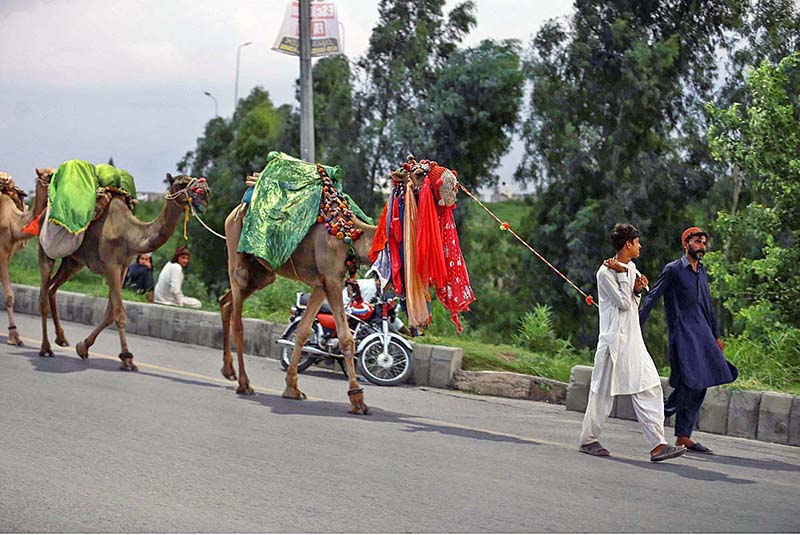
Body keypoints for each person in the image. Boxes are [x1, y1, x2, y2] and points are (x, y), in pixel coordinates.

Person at [580, 224, 686, 462]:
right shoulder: (605, 273)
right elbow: (623, 304)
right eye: (637, 242)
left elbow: (635, 298)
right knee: (602, 393)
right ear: (628, 244)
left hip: (633, 340)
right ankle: (588, 439)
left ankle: (658, 444)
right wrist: (623, 275)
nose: (640, 246)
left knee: (649, 386)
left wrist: (636, 286)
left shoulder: (631, 268)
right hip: (613, 342)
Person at [639, 227, 738, 454]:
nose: (701, 245)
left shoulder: (701, 271)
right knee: (689, 383)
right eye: (697, 241)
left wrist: (716, 336)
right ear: (686, 243)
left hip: (703, 336)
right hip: (683, 335)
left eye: (703, 242)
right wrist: (636, 323)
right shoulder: (673, 270)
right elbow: (653, 296)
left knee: (702, 382)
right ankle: (656, 415)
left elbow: (708, 307)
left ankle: (684, 437)